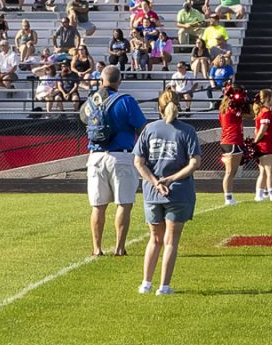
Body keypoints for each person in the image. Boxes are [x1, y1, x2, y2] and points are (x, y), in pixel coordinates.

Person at [132, 87, 204, 295]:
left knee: (154, 238)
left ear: (159, 107)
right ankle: (164, 286)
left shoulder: (149, 129)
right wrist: (171, 179)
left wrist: (155, 182)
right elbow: (194, 163)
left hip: (153, 193)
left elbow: (139, 162)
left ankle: (146, 283)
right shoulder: (187, 131)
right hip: (179, 191)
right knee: (171, 240)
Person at [83, 67, 152, 258]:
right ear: (119, 81)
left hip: (96, 156)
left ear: (101, 80)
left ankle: (97, 248)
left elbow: (83, 118)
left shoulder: (92, 100)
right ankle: (119, 248)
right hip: (121, 155)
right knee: (124, 203)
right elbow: (142, 128)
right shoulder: (126, 100)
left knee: (98, 205)